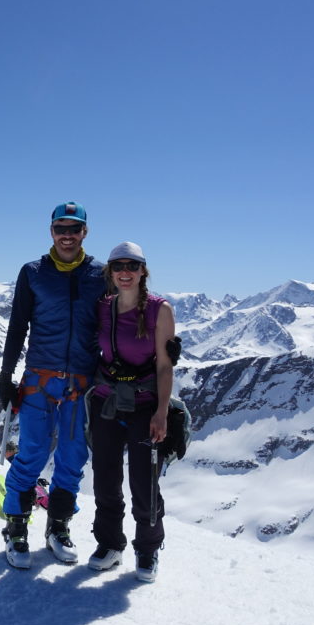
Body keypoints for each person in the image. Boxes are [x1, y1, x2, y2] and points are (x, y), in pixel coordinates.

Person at [0, 202, 107, 568]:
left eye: (74, 229)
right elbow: (18, 326)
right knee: (31, 453)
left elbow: (117, 323)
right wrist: (5, 375)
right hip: (39, 379)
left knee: (73, 457)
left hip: (82, 382)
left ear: (84, 233)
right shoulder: (33, 273)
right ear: (51, 232)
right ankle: (15, 528)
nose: (67, 235)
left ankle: (57, 526)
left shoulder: (101, 275)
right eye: (61, 228)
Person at [85, 241, 176, 583]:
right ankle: (110, 544)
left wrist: (162, 412)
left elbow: (166, 365)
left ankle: (148, 548)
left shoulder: (159, 310)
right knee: (106, 477)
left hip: (144, 405)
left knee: (144, 480)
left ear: (143, 271)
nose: (125, 272)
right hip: (107, 400)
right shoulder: (102, 307)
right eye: (118, 266)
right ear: (110, 272)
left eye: (132, 266)